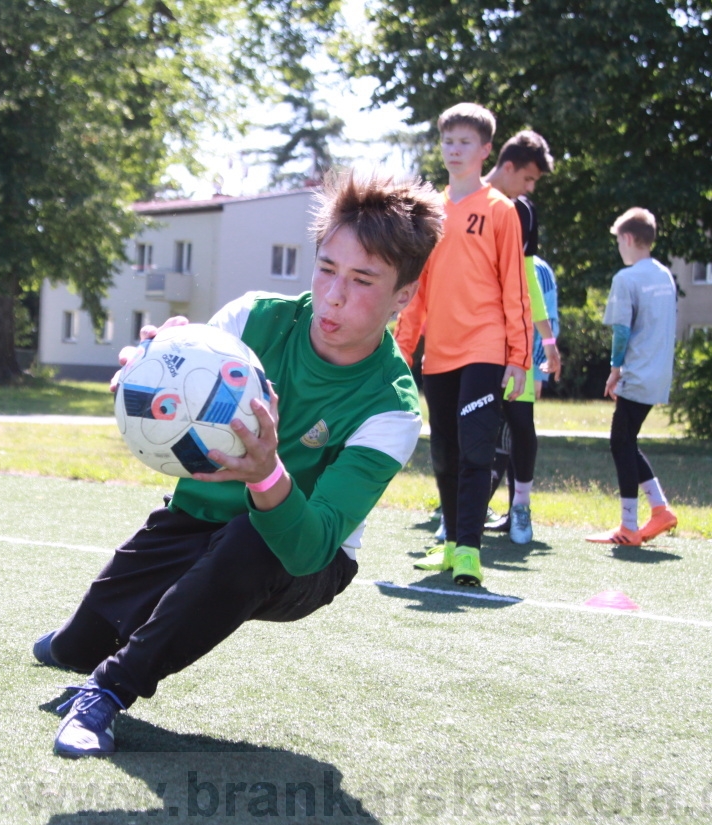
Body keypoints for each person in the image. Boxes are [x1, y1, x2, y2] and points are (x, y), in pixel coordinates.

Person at [32, 169, 445, 758]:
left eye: (362, 280)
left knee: (254, 539)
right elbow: (180, 379)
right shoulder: (253, 320)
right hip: (198, 517)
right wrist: (153, 368)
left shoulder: (392, 406)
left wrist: (267, 475)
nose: (333, 295)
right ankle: (79, 646)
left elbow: (311, 547)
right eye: (326, 268)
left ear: (403, 295)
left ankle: (108, 693)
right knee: (75, 647)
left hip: (299, 559)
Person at [395, 103, 534, 587]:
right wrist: (403, 348)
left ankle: (471, 551)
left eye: (465, 142)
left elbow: (515, 286)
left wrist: (519, 357)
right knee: (445, 454)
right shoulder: (430, 212)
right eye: (448, 141)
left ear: (485, 150)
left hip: (485, 347)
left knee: (476, 449)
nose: (454, 150)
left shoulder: (501, 210)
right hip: (439, 353)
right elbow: (417, 290)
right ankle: (452, 544)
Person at [480, 130, 561, 544]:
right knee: (473, 427)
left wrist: (548, 341)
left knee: (520, 423)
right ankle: (461, 513)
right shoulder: (467, 202)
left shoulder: (523, 212)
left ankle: (521, 509)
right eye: (528, 179)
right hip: (474, 340)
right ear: (509, 167)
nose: (530, 189)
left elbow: (528, 279)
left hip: (517, 343)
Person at [585, 208, 679, 546]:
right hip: (659, 374)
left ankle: (628, 527)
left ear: (627, 238)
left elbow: (622, 331)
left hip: (637, 373)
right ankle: (660, 510)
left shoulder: (626, 278)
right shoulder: (665, 275)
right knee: (626, 440)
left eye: (618, 242)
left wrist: (615, 370)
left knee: (620, 442)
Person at [488, 255, 560, 524]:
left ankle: (517, 510)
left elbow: (546, 314)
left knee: (515, 431)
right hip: (489, 356)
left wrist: (541, 367)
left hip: (523, 364)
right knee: (495, 432)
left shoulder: (537, 267)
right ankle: (476, 506)